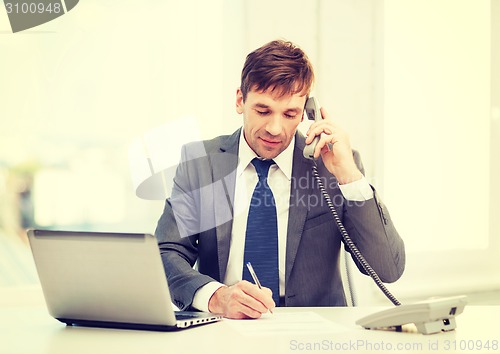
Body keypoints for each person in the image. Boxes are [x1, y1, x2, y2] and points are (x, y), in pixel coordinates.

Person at [155, 39, 405, 320]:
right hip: (224, 327)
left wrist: (349, 176)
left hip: (315, 333)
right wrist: (215, 296)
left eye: (290, 114)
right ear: (240, 100)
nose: (275, 129)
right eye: (263, 111)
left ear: (308, 110)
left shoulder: (331, 167)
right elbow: (166, 254)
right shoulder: (201, 163)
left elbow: (387, 268)